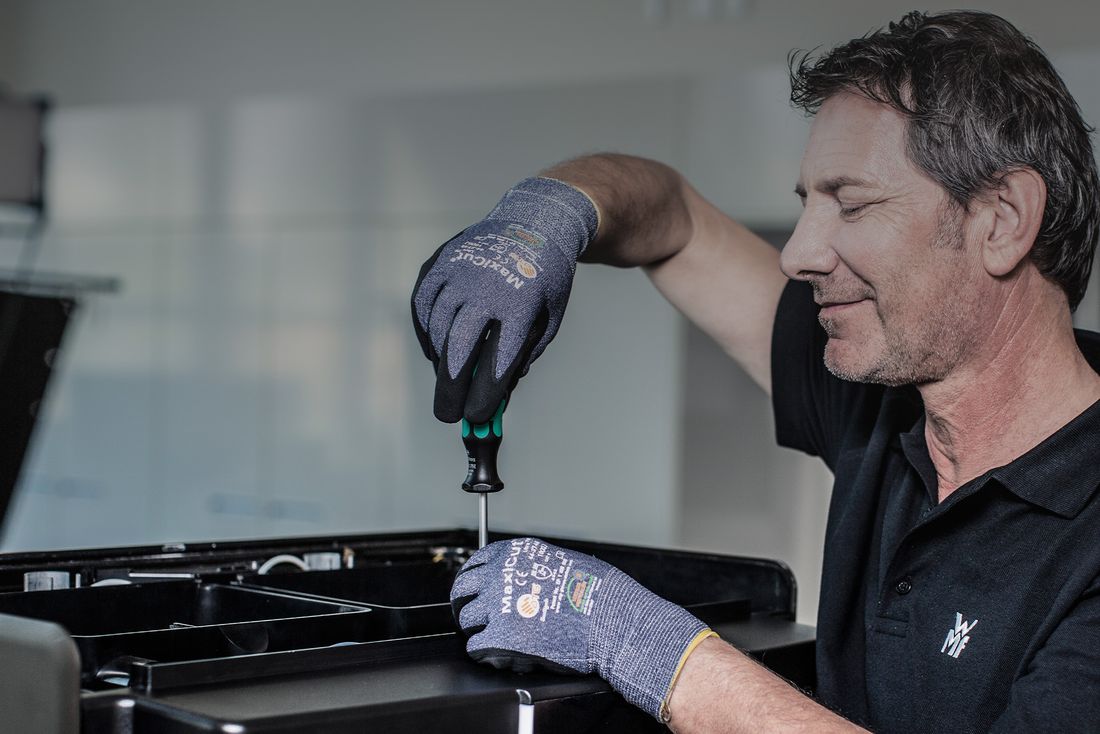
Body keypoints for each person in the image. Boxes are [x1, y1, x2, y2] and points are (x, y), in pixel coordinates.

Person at [411, 10, 1100, 733]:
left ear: (1003, 219)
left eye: (852, 204)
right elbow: (674, 220)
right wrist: (544, 217)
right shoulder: (884, 403)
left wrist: (647, 648)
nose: (798, 255)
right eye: (810, 206)